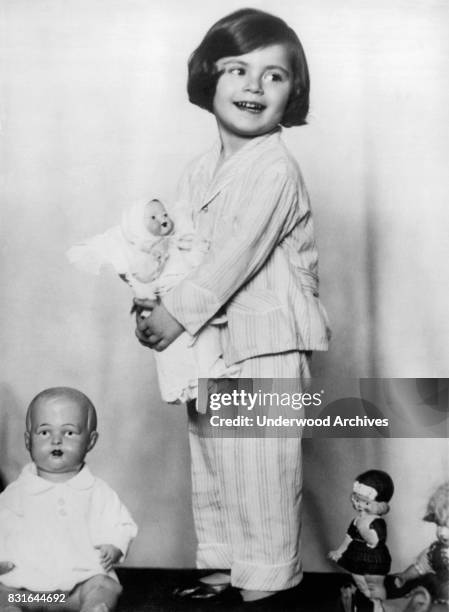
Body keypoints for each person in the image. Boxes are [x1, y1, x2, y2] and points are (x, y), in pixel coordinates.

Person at [134, 8, 330, 604]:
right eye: (238, 69)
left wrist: (176, 312)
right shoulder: (199, 170)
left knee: (262, 471)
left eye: (274, 76)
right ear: (207, 78)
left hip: (266, 342)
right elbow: (180, 251)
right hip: (212, 344)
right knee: (216, 458)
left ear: (293, 93)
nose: (253, 85)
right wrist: (149, 299)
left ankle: (267, 583)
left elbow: (234, 258)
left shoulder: (275, 168)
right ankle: (224, 569)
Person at [0, 387, 137, 612]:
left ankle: (94, 607)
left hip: (75, 591)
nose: (56, 440)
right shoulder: (16, 493)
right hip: (29, 591)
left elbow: (121, 523)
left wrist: (115, 546)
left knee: (104, 585)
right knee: (4, 593)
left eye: (69, 433)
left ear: (91, 441)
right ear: (28, 440)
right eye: (44, 432)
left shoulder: (97, 491)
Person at [329, 470, 394, 609]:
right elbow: (349, 538)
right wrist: (339, 551)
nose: (359, 505)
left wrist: (363, 526)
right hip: (356, 556)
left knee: (375, 585)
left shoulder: (377, 522)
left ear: (379, 504)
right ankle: (364, 598)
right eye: (356, 500)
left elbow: (374, 541)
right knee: (360, 581)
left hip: (375, 559)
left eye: (365, 502)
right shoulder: (356, 520)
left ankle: (378, 605)